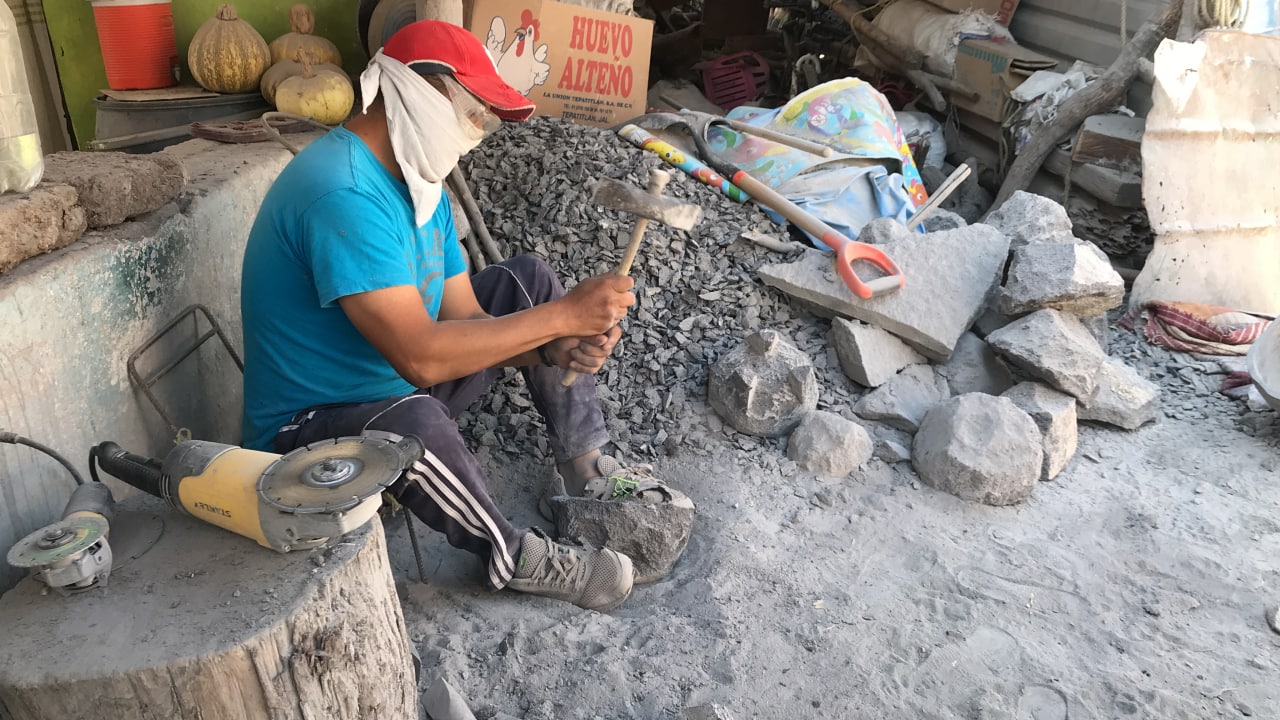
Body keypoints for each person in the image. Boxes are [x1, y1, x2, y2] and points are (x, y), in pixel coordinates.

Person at [239, 20, 659, 612]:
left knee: (527, 282)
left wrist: (551, 344)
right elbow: (421, 355)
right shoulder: (343, 193)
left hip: (393, 382)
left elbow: (464, 316)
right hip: (305, 433)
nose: (477, 131)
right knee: (415, 420)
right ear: (414, 91)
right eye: (472, 112)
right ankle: (515, 556)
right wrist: (562, 316)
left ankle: (585, 473)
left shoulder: (420, 184)